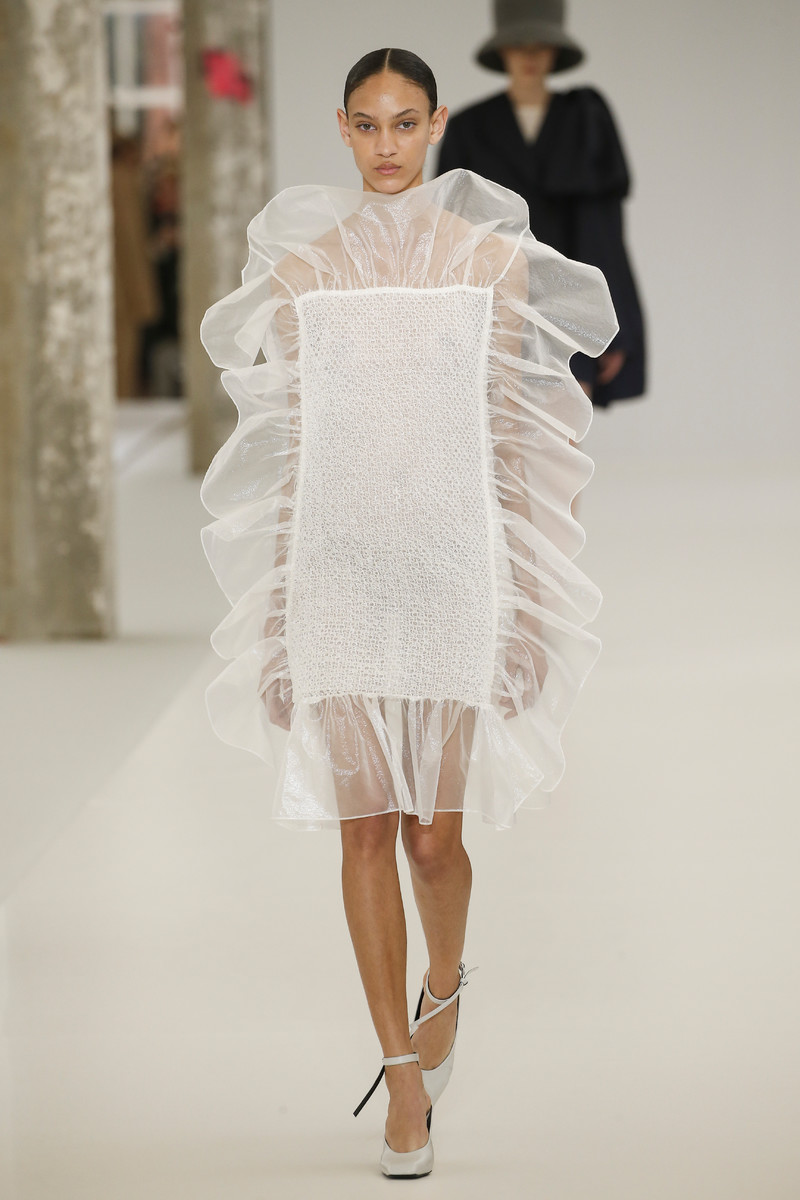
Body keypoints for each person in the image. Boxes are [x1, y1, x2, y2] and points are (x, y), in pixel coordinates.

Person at [199, 48, 617, 1179]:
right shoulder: (302, 275)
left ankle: (445, 981)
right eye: (366, 123)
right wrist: (278, 621)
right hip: (335, 575)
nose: (385, 144)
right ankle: (399, 1082)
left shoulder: (491, 266)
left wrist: (525, 608)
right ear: (341, 128)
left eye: (405, 123)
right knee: (363, 832)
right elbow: (293, 449)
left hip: (451, 571)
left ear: (435, 127)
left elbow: (509, 436)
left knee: (434, 838)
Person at [437, 0, 645, 407]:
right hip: (491, 310)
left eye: (541, 45)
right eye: (518, 44)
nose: (529, 55)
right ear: (502, 50)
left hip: (570, 308)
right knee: (495, 432)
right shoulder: (467, 129)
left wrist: (614, 326)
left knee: (563, 434)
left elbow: (604, 231)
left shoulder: (586, 121)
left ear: (556, 50)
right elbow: (448, 234)